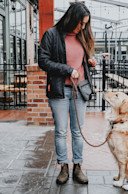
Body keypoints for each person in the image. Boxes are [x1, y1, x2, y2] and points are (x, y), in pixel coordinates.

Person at [38, 2, 96, 185]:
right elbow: (43, 61)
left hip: (80, 90)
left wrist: (90, 62)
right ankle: (63, 166)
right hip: (60, 90)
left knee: (77, 131)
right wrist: (67, 70)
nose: (83, 27)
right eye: (81, 23)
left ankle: (78, 166)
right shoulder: (51, 35)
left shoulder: (83, 36)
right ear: (72, 19)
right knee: (61, 131)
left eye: (86, 23)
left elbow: (82, 60)